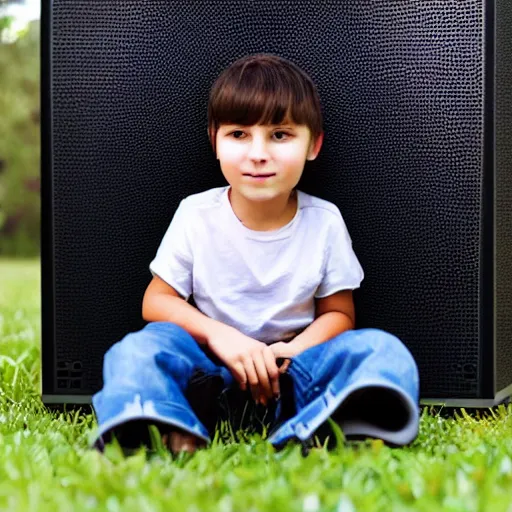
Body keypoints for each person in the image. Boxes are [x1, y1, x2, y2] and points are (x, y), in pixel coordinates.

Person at [91, 53, 420, 455]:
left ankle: (315, 427)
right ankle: (168, 424)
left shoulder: (325, 221)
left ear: (312, 144)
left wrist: (294, 351)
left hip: (293, 373)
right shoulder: (196, 214)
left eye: (280, 135)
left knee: (383, 350)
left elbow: (340, 314)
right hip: (211, 369)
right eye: (239, 135)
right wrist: (223, 338)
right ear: (215, 141)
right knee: (138, 350)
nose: (258, 153)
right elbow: (156, 301)